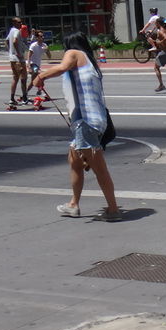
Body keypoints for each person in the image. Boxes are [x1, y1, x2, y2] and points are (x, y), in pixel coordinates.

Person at [33, 32, 123, 222]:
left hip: (87, 122)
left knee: (99, 168)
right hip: (92, 121)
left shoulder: (73, 53)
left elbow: (62, 67)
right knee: (74, 160)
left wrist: (41, 76)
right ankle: (73, 204)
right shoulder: (90, 62)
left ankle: (113, 209)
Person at [5, 16, 30, 106]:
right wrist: (18, 53)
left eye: (21, 22)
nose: (21, 24)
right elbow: (15, 41)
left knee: (15, 78)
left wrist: (10, 51)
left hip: (12, 58)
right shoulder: (16, 31)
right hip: (19, 59)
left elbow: (7, 41)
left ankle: (12, 98)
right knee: (24, 78)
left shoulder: (11, 30)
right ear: (14, 23)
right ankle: (24, 98)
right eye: (19, 22)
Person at [26, 30, 51, 99]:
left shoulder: (44, 45)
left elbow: (49, 57)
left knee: (33, 81)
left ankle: (26, 92)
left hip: (37, 65)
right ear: (37, 38)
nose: (42, 37)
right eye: (40, 36)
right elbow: (29, 56)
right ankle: (40, 91)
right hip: (32, 64)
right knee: (41, 75)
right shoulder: (33, 45)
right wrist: (28, 67)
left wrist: (47, 50)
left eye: (43, 36)